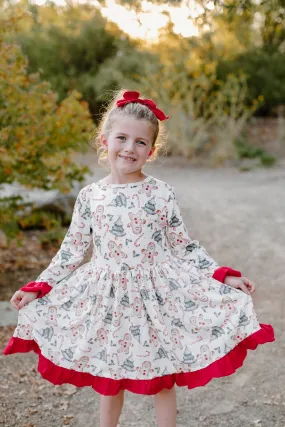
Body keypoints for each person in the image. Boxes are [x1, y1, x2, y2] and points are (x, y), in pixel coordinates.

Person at [3, 89, 275, 427]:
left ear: (152, 151)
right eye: (122, 138)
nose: (130, 148)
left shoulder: (161, 194)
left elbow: (183, 246)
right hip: (109, 299)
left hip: (155, 297)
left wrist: (223, 276)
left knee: (162, 374)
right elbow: (72, 250)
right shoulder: (91, 197)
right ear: (104, 140)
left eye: (141, 142)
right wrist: (38, 287)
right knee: (111, 372)